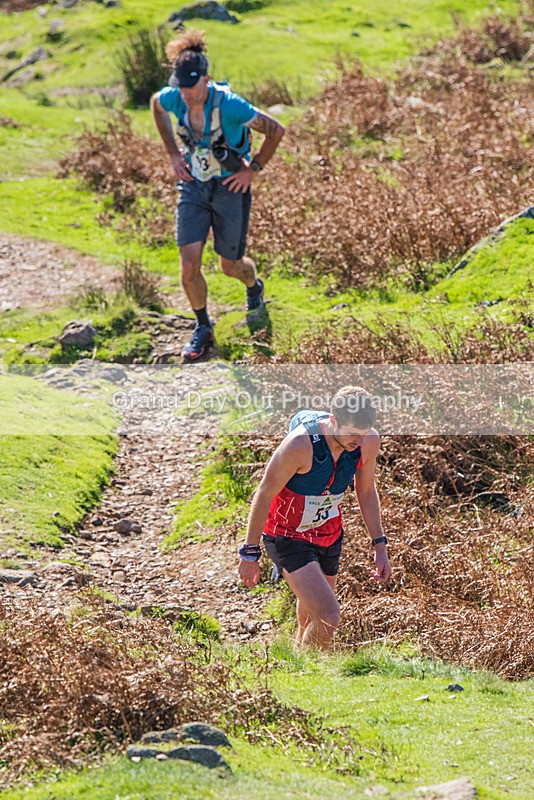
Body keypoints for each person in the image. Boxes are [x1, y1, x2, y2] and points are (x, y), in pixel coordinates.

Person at [150, 30, 285, 361]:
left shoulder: (231, 105)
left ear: (206, 80)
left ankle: (253, 286)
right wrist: (173, 153)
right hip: (193, 185)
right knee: (188, 265)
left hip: (229, 187)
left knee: (230, 266)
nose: (184, 94)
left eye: (191, 87)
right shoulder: (174, 97)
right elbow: (156, 104)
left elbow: (276, 130)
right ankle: (202, 326)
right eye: (180, 87)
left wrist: (253, 169)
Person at [238, 386, 392, 649]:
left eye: (364, 433)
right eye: (352, 433)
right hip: (286, 533)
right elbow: (264, 493)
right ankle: (304, 666)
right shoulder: (300, 444)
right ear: (333, 420)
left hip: (327, 532)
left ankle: (296, 658)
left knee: (311, 614)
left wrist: (380, 545)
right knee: (329, 615)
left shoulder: (369, 442)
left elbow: (366, 491)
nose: (359, 441)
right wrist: (249, 553)